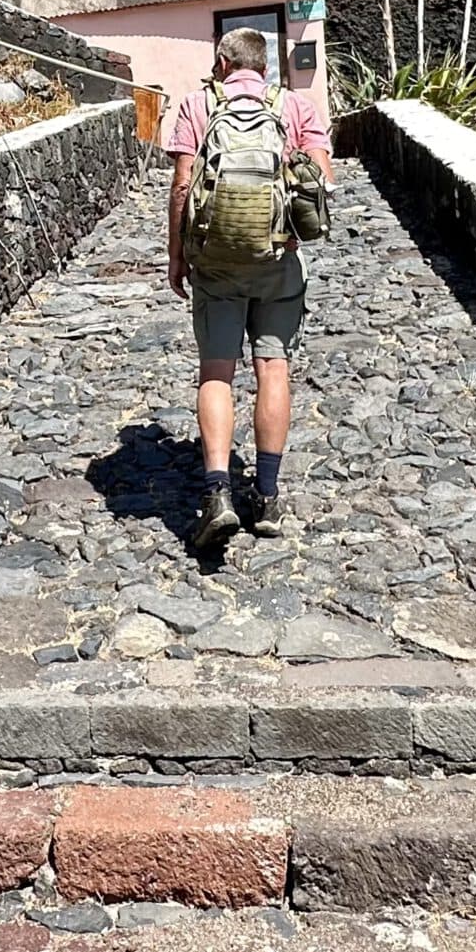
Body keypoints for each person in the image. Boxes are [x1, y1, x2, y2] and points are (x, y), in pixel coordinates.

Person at [164, 27, 335, 557]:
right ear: (266, 67)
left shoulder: (197, 105)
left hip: (215, 264)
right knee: (273, 369)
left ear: (221, 62)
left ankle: (218, 496)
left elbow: (181, 186)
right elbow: (322, 182)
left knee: (217, 372)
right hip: (276, 260)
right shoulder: (295, 108)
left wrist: (177, 255)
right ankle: (266, 495)